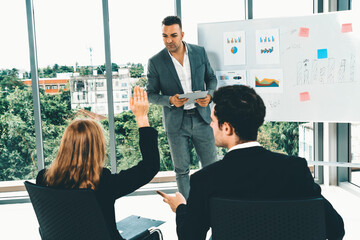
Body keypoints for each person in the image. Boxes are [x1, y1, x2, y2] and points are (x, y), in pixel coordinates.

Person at [158, 85, 345, 240]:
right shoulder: (295, 169)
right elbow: (336, 229)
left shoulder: (205, 179)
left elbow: (190, 237)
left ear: (227, 128)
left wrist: (181, 207)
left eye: (213, 120)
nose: (210, 125)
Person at [36, 86, 160, 240]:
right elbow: (150, 166)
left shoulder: (43, 178)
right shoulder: (103, 182)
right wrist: (142, 118)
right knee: (154, 233)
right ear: (98, 148)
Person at [147, 15, 218, 199]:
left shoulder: (199, 52)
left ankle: (213, 204)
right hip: (176, 123)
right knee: (181, 170)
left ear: (182, 34)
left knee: (211, 166)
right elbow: (151, 94)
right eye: (164, 36)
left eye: (173, 35)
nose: (169, 40)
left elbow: (211, 78)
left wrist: (209, 95)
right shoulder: (155, 62)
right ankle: (187, 212)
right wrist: (170, 100)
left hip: (202, 117)